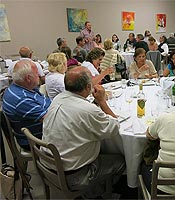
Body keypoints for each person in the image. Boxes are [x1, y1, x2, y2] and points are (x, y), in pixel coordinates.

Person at [42, 66, 125, 198]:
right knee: (120, 160)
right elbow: (114, 127)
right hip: (74, 175)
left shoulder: (57, 99)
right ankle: (96, 193)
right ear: (88, 87)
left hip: (47, 167)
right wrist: (102, 101)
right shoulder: (88, 110)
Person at [2, 60, 51, 150]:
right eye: (37, 74)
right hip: (35, 140)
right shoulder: (21, 100)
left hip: (36, 130)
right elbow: (50, 120)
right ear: (28, 78)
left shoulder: (19, 87)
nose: (39, 76)